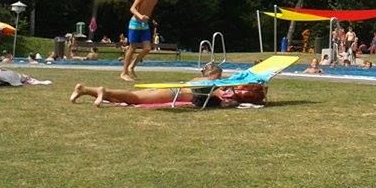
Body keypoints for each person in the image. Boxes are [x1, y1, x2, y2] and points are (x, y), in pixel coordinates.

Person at [70, 62, 263, 108]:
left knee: (131, 97)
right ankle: (101, 91)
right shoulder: (212, 84)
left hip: (173, 89)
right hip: (173, 94)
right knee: (134, 98)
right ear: (215, 75)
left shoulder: (203, 81)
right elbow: (219, 98)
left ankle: (86, 90)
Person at [121, 0, 160, 82]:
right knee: (132, 47)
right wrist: (140, 15)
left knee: (147, 48)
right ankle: (124, 73)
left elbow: (149, 9)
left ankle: (132, 66)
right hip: (135, 23)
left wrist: (147, 19)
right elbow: (132, 8)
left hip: (144, 24)